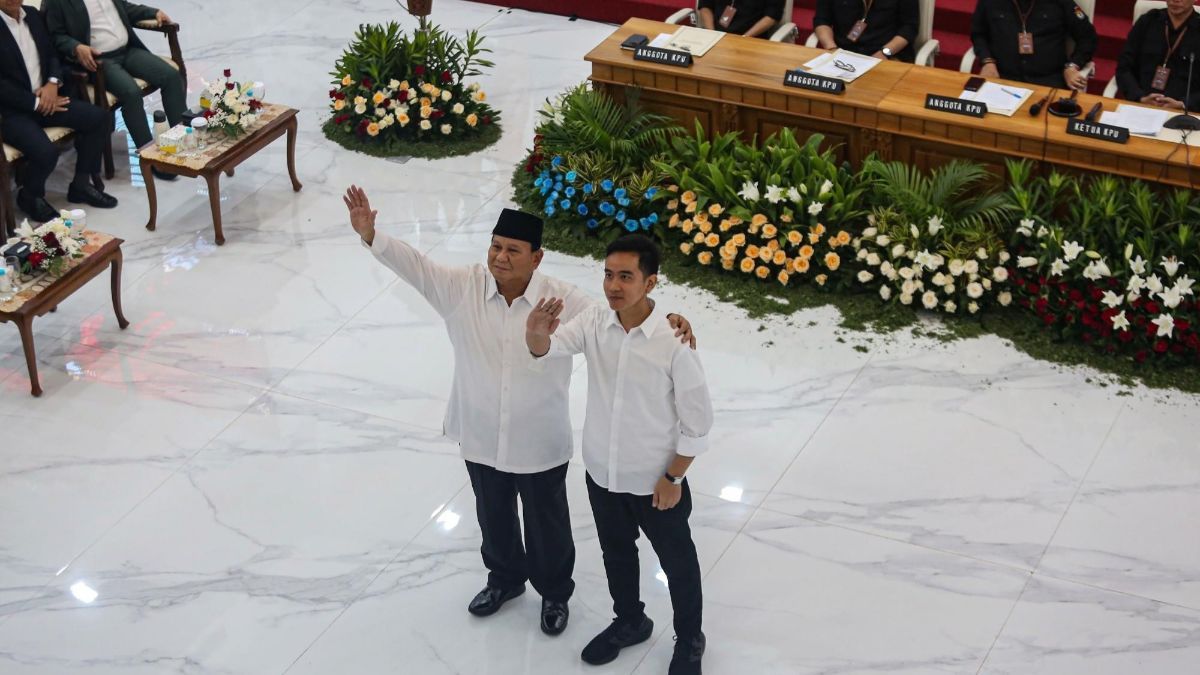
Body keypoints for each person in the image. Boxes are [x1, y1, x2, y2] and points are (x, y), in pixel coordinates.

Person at [343, 187, 695, 639]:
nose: (500, 257)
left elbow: (622, 316)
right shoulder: (462, 287)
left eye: (512, 250)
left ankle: (554, 593)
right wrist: (373, 236)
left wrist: (670, 320)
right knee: (493, 516)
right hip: (479, 429)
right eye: (495, 246)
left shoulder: (566, 302)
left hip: (538, 438)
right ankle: (504, 579)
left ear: (537, 257)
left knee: (547, 523)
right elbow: (417, 267)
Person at [526, 235, 712, 675]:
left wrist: (674, 478)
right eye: (608, 274)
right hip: (603, 475)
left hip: (657, 481)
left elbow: (698, 422)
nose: (613, 285)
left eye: (625, 276)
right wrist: (535, 333)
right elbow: (548, 349)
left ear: (650, 282)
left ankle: (689, 639)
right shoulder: (594, 321)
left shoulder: (673, 341)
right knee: (617, 554)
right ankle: (630, 621)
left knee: (678, 563)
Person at [0, 0, 117, 223]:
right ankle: (30, 196)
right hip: (13, 112)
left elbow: (52, 54)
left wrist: (53, 83)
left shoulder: (32, 15)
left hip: (49, 98)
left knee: (99, 119)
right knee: (46, 153)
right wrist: (35, 103)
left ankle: (81, 185)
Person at [42, 0, 184, 168]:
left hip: (127, 50)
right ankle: (150, 159)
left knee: (171, 76)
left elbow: (124, 8)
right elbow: (53, 35)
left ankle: (182, 139)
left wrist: (153, 12)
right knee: (130, 93)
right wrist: (76, 47)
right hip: (99, 61)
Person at [970, 0, 1097, 90]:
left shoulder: (1061, 3)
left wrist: (1072, 66)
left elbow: (1088, 37)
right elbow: (978, 34)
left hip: (1048, 81)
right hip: (1001, 77)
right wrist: (987, 61)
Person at [1116, 0, 1200, 112]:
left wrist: (1184, 104)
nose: (1176, 0)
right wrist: (1140, 97)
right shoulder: (1148, 21)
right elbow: (1124, 67)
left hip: (1184, 112)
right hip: (1141, 104)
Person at [813, 0, 920, 62]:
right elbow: (822, 20)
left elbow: (909, 27)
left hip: (887, 55)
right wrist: (832, 48)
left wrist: (884, 53)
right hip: (842, 53)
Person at [697, 0, 786, 39]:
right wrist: (712, 34)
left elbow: (771, 17)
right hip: (714, 34)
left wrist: (744, 38)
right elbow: (705, 6)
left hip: (750, 39)